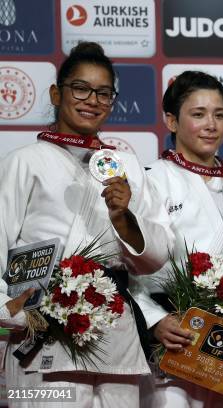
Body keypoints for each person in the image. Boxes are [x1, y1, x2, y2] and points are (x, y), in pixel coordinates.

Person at [0, 42, 174, 407]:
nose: (92, 99)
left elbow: (157, 256)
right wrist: (12, 311)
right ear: (56, 93)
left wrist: (124, 218)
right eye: (80, 88)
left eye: (104, 92)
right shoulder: (24, 161)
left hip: (115, 334)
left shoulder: (124, 166)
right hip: (45, 330)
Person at [132, 70, 223, 408]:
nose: (211, 124)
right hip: (174, 335)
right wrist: (154, 320)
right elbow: (129, 269)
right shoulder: (150, 182)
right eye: (198, 114)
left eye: (219, 115)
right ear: (171, 121)